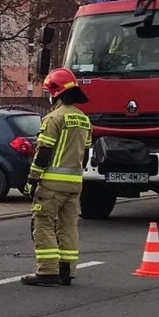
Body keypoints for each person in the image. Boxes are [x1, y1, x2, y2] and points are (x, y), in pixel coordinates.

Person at [22, 67, 92, 287]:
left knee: (42, 224)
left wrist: (32, 180)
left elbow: (44, 151)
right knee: (68, 226)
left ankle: (47, 271)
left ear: (56, 92)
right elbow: (87, 152)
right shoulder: (83, 119)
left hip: (51, 184)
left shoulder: (54, 118)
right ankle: (66, 270)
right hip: (75, 183)